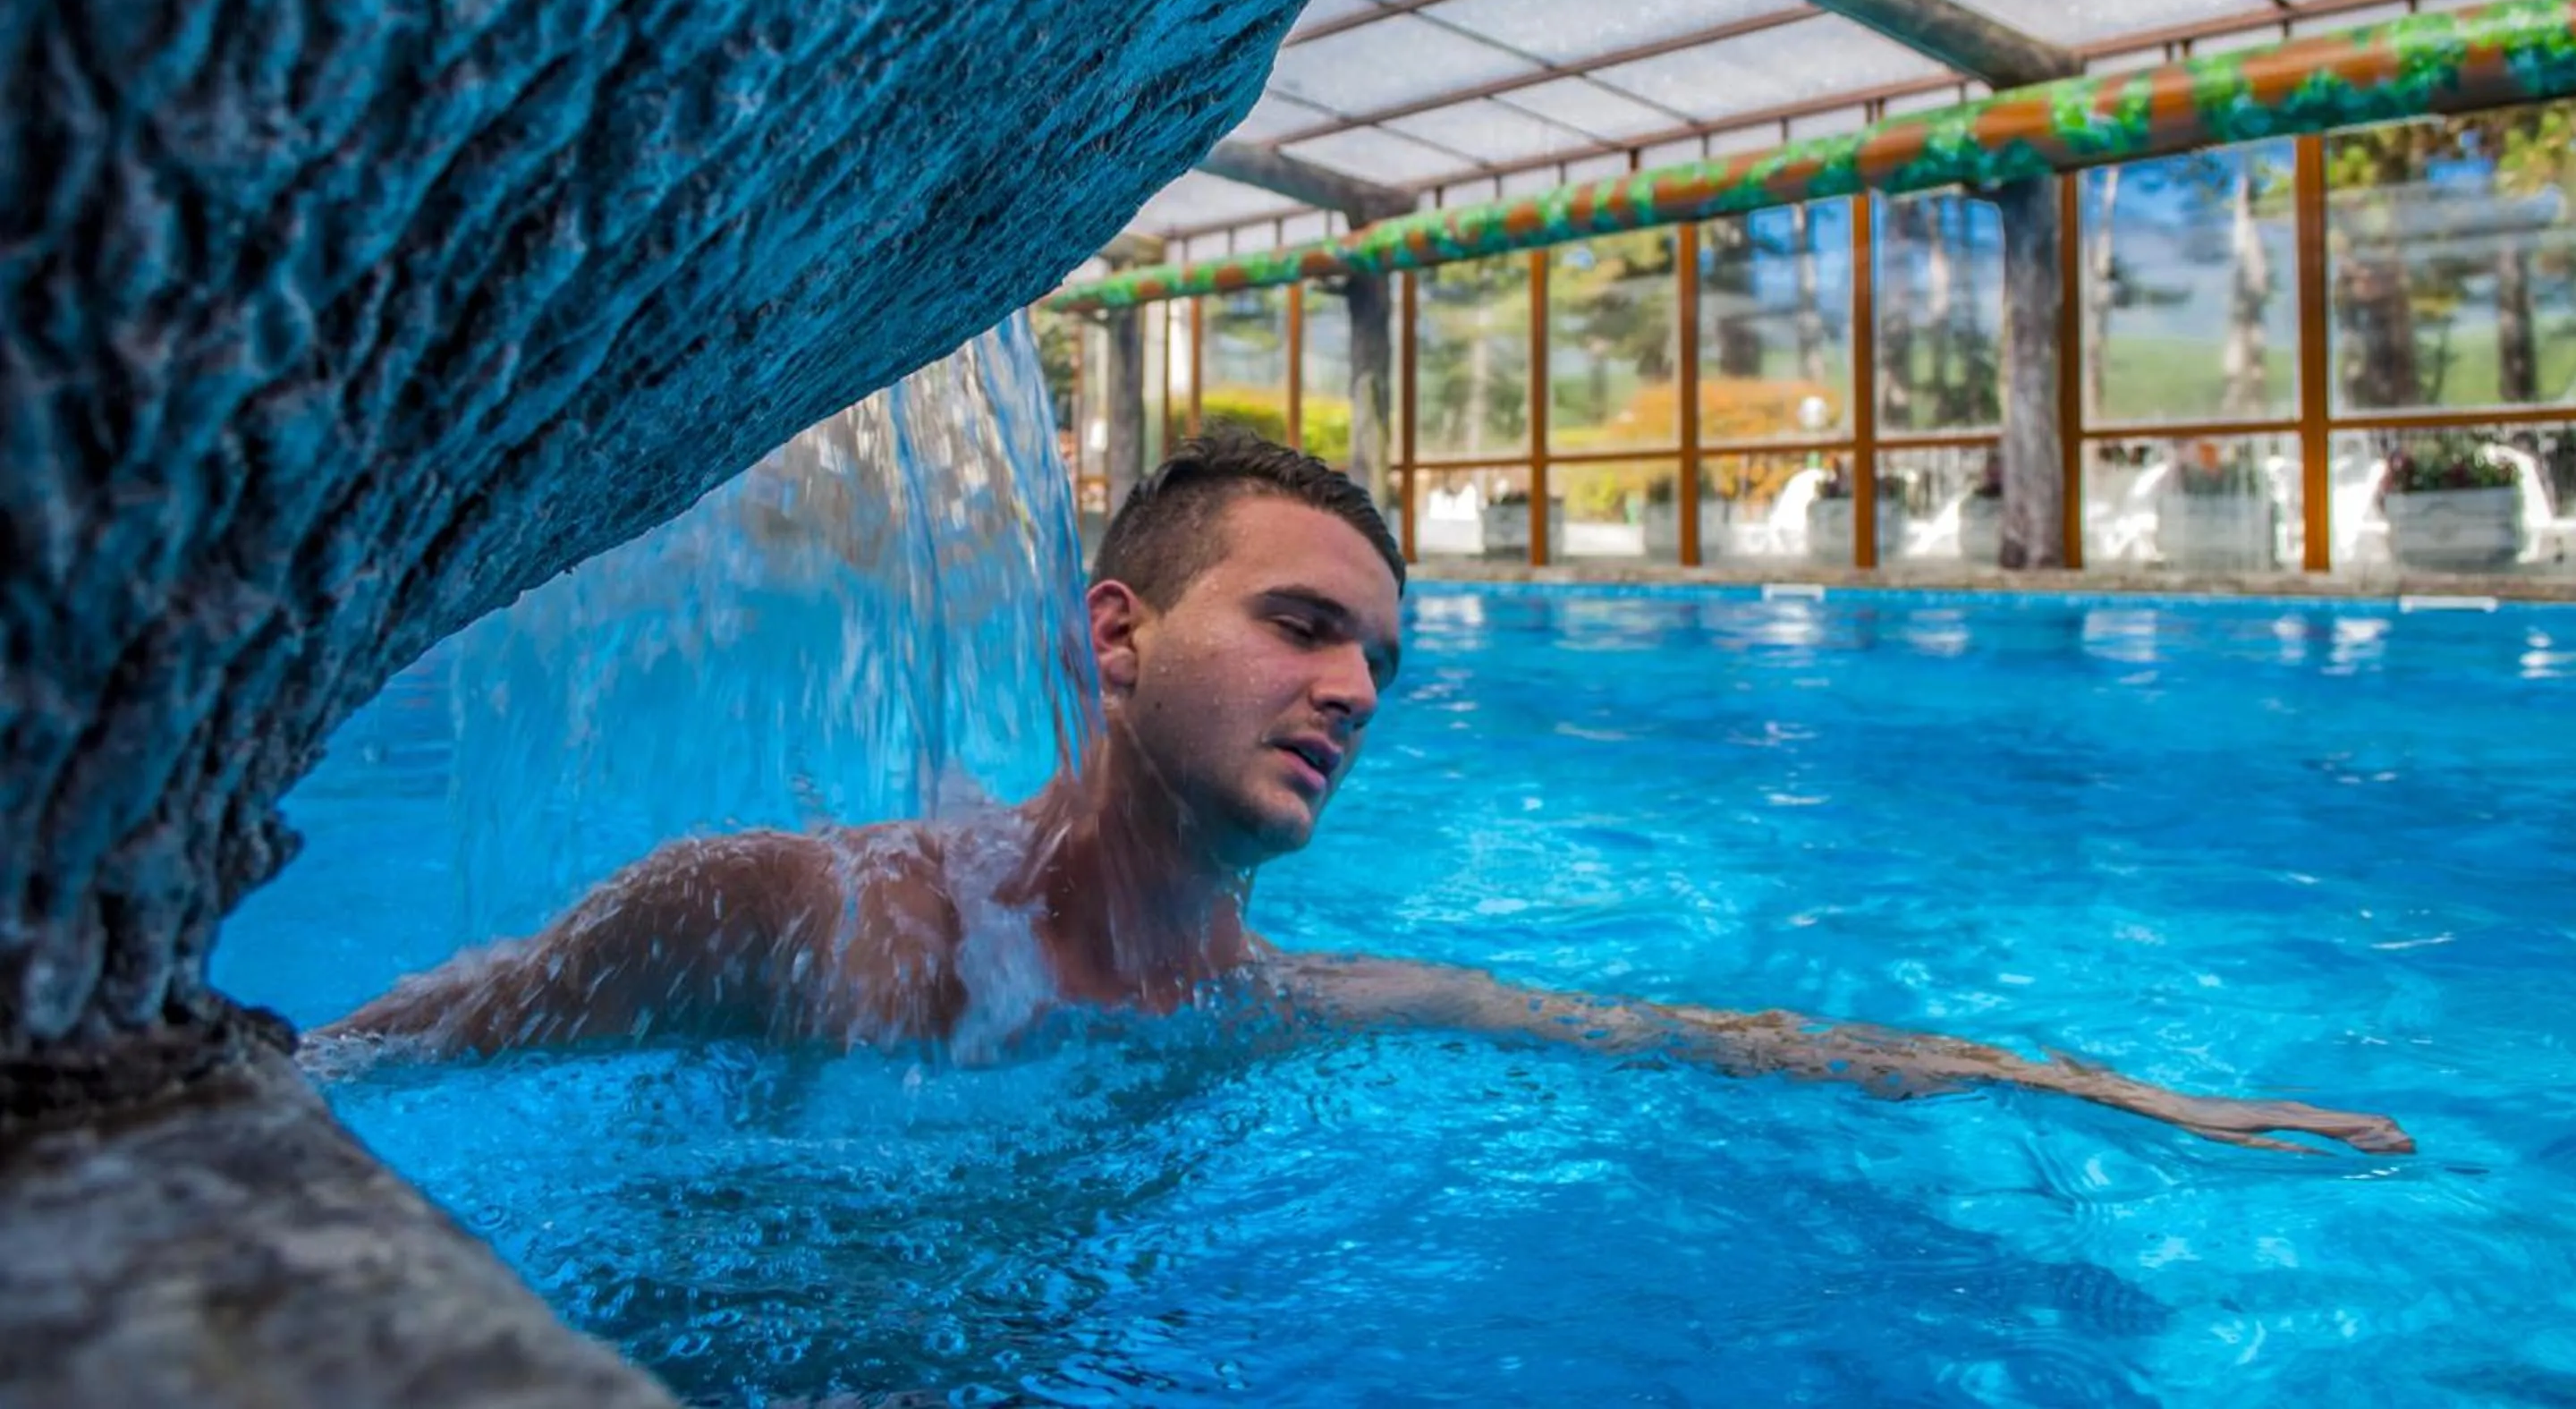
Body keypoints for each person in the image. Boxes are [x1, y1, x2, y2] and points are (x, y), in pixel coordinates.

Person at [321, 430, 2412, 1156]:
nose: (1353, 688)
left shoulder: (1269, 1009)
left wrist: (2114, 1094)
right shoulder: (799, 913)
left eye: (1382, 663)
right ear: (1115, 634)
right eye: (1307, 625)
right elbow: (402, 1038)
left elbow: (1706, 1042)